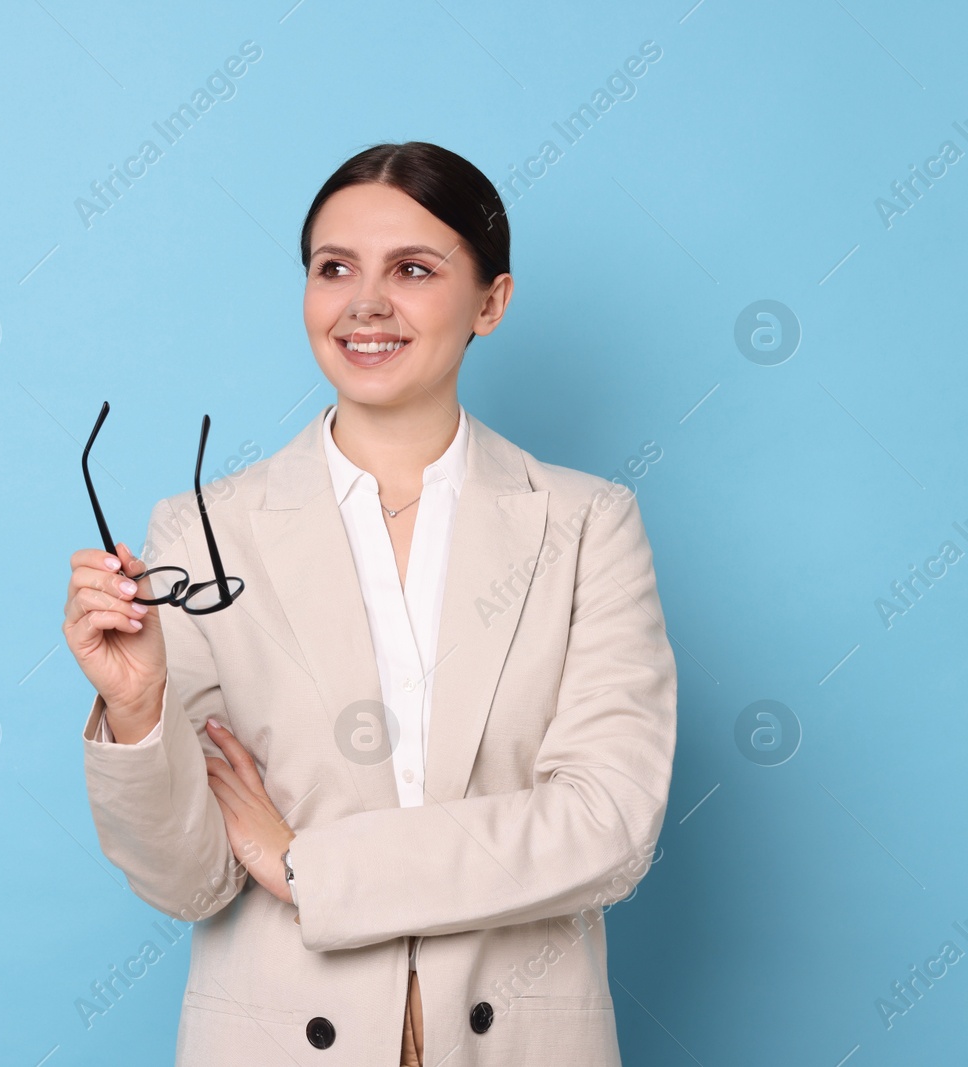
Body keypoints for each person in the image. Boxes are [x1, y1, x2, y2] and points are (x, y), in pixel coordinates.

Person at [61, 140, 677, 1066]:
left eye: (414, 269)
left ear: (491, 302)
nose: (366, 303)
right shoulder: (200, 530)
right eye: (333, 268)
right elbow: (190, 882)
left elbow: (606, 826)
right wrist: (138, 709)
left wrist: (309, 865)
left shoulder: (588, 523)